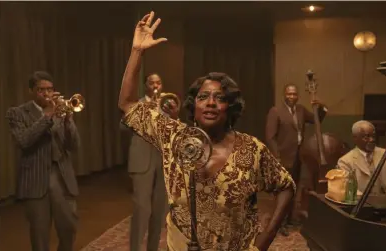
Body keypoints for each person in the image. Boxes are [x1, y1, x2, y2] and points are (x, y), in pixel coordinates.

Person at [118, 12, 295, 251]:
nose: (210, 103)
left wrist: (266, 237)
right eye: (203, 97)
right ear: (194, 105)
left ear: (230, 107)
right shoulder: (174, 137)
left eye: (219, 98)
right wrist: (137, 52)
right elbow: (128, 103)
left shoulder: (251, 149)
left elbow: (285, 186)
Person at [6, 71, 80, 251]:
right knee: (40, 237)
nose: (47, 94)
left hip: (61, 178)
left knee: (69, 227)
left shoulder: (61, 110)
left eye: (49, 89)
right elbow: (24, 141)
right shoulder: (16, 113)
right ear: (31, 91)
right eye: (41, 90)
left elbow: (73, 145)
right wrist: (46, 116)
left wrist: (68, 120)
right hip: (35, 179)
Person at [119, 73, 179, 251]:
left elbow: (175, 130)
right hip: (141, 159)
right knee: (141, 209)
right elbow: (122, 128)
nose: (155, 86)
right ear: (145, 85)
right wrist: (144, 111)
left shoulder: (168, 104)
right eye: (152, 83)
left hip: (163, 160)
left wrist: (173, 115)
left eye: (158, 82)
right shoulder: (137, 105)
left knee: (160, 211)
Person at [265, 83, 327, 235]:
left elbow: (317, 119)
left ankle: (291, 219)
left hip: (298, 157)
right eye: (289, 94)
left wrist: (321, 106)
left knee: (294, 190)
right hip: (282, 159)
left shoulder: (301, 110)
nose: (292, 97)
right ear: (284, 95)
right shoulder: (275, 111)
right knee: (282, 192)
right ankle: (280, 224)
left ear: (297, 96)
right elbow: (270, 137)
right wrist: (276, 158)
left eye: (294, 94)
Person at [337, 120, 386, 195]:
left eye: (373, 136)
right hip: (364, 204)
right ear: (355, 138)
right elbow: (350, 190)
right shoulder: (345, 161)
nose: (372, 140)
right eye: (366, 137)